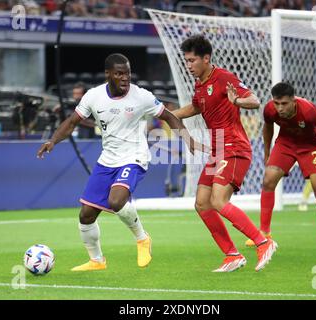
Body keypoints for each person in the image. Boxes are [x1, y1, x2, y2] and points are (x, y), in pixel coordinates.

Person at [37, 53, 203, 271]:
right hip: (107, 160)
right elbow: (72, 122)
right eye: (119, 74)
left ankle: (142, 238)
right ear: (108, 75)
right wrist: (53, 141)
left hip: (134, 157)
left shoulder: (141, 96)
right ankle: (97, 260)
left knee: (116, 201)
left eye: (128, 73)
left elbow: (169, 117)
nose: (125, 78)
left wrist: (188, 140)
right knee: (86, 215)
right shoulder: (93, 96)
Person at [172, 34, 277, 272]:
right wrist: (170, 115)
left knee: (218, 201)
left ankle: (263, 241)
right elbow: (196, 107)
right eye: (186, 61)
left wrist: (237, 102)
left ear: (206, 58)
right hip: (217, 149)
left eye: (192, 61)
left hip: (234, 147)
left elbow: (255, 100)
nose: (188, 66)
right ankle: (232, 255)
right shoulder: (199, 83)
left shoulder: (224, 77)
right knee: (201, 203)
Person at [245, 82, 316, 251]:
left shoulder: (308, 110)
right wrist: (266, 153)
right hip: (286, 144)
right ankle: (264, 232)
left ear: (293, 101)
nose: (280, 108)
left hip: (311, 145)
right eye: (277, 103)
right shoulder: (269, 109)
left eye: (284, 104)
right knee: (268, 180)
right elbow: (268, 127)